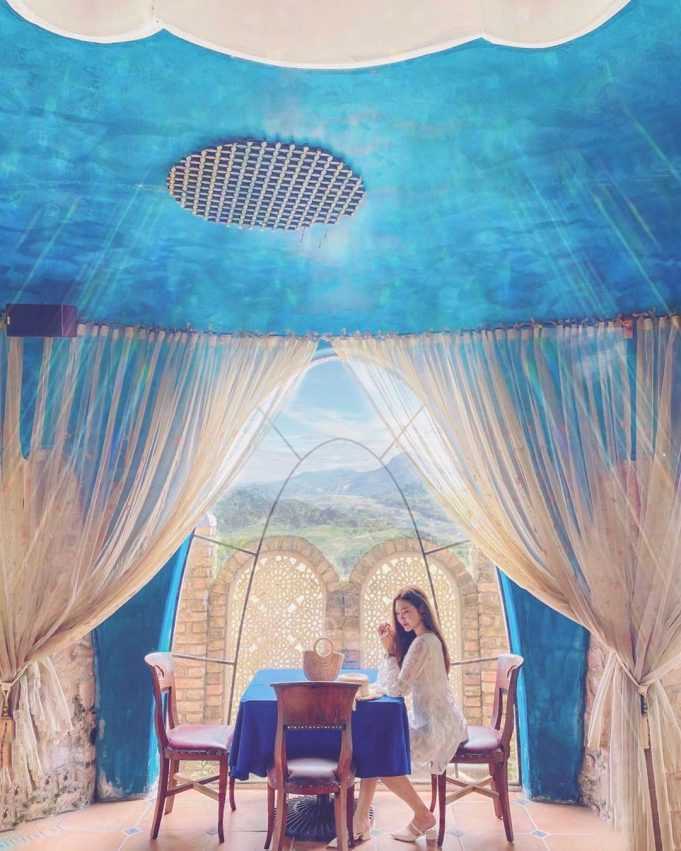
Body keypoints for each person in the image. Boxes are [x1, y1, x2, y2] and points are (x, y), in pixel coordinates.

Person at [353, 586, 467, 844]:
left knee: (380, 754)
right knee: (375, 745)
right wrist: (394, 649)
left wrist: (389, 651)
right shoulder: (427, 639)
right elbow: (397, 685)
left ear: (421, 610)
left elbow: (398, 689)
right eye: (398, 613)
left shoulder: (422, 643)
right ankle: (360, 821)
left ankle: (421, 815)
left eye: (406, 611)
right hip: (443, 718)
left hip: (436, 726)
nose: (401, 618)